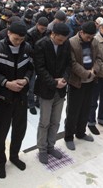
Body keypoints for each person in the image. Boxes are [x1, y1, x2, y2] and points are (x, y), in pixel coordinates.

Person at [0, 21, 34, 179]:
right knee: (0, 133)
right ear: (8, 33)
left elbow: (30, 67)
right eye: (16, 39)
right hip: (3, 97)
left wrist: (26, 80)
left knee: (19, 129)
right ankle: (0, 163)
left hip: (21, 96)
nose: (19, 42)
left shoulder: (27, 48)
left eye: (21, 39)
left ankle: (14, 156)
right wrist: (6, 83)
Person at [34, 23, 71, 164]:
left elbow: (69, 64)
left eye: (64, 40)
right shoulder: (41, 44)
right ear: (53, 34)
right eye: (60, 40)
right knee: (44, 122)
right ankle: (42, 148)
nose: (62, 43)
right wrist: (54, 82)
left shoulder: (65, 44)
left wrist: (65, 79)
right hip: (46, 89)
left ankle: (51, 146)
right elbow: (40, 68)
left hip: (61, 89)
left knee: (55, 121)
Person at [64, 21, 98, 151]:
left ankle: (81, 132)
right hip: (76, 82)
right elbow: (72, 63)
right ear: (81, 32)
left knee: (85, 108)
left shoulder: (94, 42)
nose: (90, 39)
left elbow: (98, 58)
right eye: (87, 37)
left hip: (91, 80)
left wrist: (94, 70)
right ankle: (68, 137)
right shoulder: (71, 42)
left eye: (92, 37)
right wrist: (86, 74)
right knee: (73, 111)